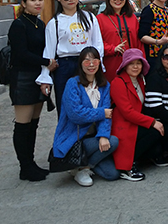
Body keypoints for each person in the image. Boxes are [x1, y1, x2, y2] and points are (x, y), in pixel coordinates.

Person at [8, 0, 57, 182]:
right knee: (22, 124)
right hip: (23, 78)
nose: (37, 3)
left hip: (39, 77)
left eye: (40, 0)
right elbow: (21, 53)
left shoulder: (40, 23)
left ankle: (31, 163)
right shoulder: (18, 25)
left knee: (34, 124)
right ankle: (24, 166)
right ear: (23, 3)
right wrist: (47, 62)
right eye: (33, 0)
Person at [51, 47, 119, 186]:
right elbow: (76, 114)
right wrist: (101, 113)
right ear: (81, 64)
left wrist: (103, 136)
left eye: (95, 60)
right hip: (76, 138)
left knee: (112, 174)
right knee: (114, 141)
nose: (91, 65)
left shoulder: (104, 86)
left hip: (94, 137)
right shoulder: (73, 84)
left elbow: (108, 115)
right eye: (87, 61)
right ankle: (80, 168)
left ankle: (85, 166)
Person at [37, 0, 104, 117]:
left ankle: (87, 137)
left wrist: (98, 65)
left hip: (87, 63)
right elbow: (49, 52)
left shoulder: (89, 18)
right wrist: (45, 78)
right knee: (66, 106)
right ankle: (67, 136)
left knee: (90, 102)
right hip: (64, 66)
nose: (71, 0)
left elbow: (98, 43)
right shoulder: (54, 23)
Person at [110, 48, 165, 181]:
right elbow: (127, 112)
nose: (135, 66)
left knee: (158, 137)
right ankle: (128, 166)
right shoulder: (118, 82)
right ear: (125, 65)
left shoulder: (140, 80)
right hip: (123, 125)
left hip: (135, 122)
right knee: (154, 131)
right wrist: (152, 121)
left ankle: (139, 158)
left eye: (138, 63)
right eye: (131, 63)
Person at [97, 0, 142, 82]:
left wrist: (141, 61)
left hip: (132, 66)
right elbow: (96, 44)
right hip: (111, 65)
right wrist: (112, 49)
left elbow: (139, 42)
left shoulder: (132, 18)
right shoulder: (100, 19)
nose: (118, 0)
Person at [138, 0, 168, 73]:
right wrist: (158, 41)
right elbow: (142, 36)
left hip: (167, 56)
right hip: (153, 57)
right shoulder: (149, 10)